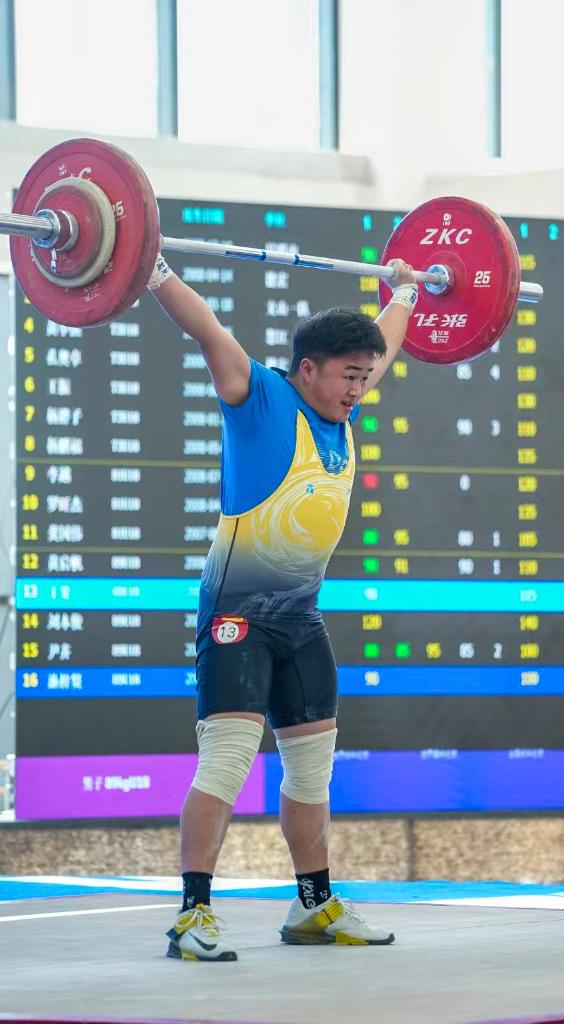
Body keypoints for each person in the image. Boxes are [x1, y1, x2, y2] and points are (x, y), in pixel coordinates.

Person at [148, 247, 419, 961]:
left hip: (300, 619)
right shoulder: (262, 399)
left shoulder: (340, 412)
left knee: (311, 770)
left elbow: (385, 349)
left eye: (364, 375)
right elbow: (208, 332)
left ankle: (312, 905)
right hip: (236, 614)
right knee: (227, 761)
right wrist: (151, 268)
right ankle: (193, 915)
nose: (360, 387)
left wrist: (406, 293)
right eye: (349, 375)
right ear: (307, 369)